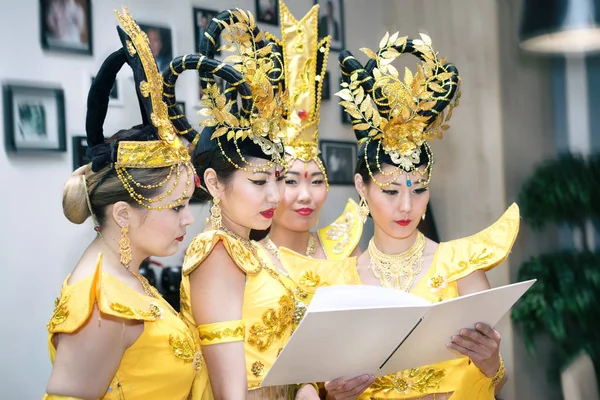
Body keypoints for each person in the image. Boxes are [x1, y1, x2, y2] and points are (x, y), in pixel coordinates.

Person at [336, 32, 517, 399]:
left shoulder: (461, 266)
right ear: (361, 186)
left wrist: (491, 362)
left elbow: (498, 382)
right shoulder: (341, 277)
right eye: (390, 191)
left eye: (418, 190)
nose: (407, 206)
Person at [43, 8, 211, 400]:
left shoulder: (124, 275)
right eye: (175, 207)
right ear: (123, 213)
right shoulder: (102, 307)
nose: (188, 220)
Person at [162, 8, 325, 399]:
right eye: (258, 181)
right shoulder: (216, 252)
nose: (275, 196)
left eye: (276, 178)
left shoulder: (248, 248)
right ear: (215, 183)